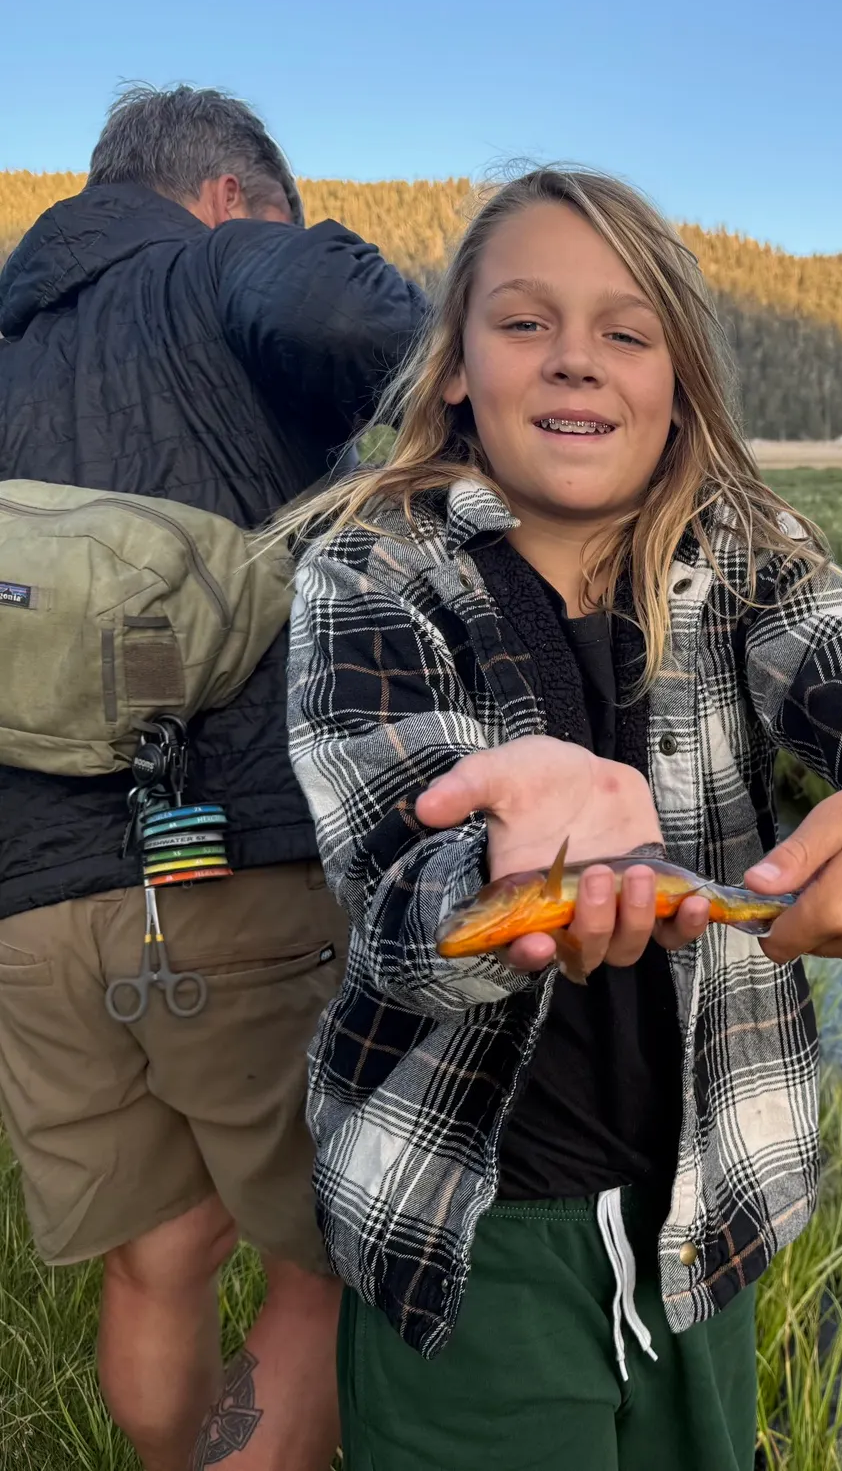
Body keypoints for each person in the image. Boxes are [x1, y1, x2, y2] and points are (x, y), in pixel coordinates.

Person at [281, 164, 842, 1471]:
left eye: (626, 332)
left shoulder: (749, 554)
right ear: (459, 368)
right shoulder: (368, 572)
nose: (577, 360)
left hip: (711, 1218)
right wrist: (498, 867)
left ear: (677, 381)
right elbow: (396, 917)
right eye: (527, 322)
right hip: (464, 1241)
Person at [0, 85, 426, 1471]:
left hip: (24, 915)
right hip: (228, 873)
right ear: (233, 194)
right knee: (319, 1266)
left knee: (160, 1254)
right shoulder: (216, 261)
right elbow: (361, 321)